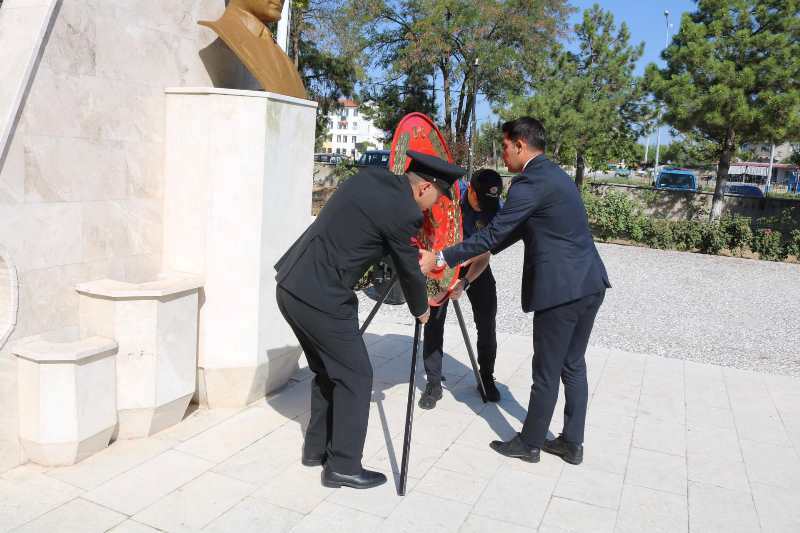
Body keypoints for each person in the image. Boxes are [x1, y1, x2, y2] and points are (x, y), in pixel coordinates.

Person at [420, 117, 610, 466]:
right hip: (590, 284)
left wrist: (443, 256)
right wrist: (471, 259)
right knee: (573, 365)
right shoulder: (553, 176)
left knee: (546, 370)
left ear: (521, 145)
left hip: (562, 292)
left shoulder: (528, 183)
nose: (503, 153)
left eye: (505, 146)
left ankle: (530, 442)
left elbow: (494, 234)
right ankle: (572, 442)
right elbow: (511, 234)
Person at [275, 150, 466, 489]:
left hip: (292, 284)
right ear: (424, 189)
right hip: (322, 295)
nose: (434, 207)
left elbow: (372, 238)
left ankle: (317, 449)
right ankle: (343, 466)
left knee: (327, 369)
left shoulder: (370, 179)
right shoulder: (404, 210)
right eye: (437, 198)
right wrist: (421, 308)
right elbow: (407, 268)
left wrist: (406, 257)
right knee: (356, 375)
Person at [418, 169, 505, 409]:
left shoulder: (495, 210)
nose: (485, 207)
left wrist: (465, 283)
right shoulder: (450, 198)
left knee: (487, 320)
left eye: (491, 201)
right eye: (481, 200)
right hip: (443, 262)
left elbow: (484, 254)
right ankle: (434, 383)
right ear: (471, 191)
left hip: (473, 264)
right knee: (434, 320)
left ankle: (486, 377)